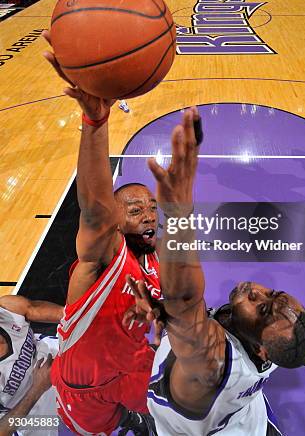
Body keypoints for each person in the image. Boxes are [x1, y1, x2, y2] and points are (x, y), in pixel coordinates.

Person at [126, 107, 305, 436]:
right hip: (245, 420)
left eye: (262, 308)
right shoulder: (268, 344)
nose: (257, 292)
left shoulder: (210, 361)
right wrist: (164, 313)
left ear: (260, 350)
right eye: (272, 294)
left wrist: (178, 212)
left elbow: (185, 300)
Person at [42, 31, 161, 435]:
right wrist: (95, 122)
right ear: (118, 222)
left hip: (131, 361)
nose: (147, 214)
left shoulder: (161, 259)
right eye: (134, 209)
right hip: (86, 384)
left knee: (194, 403)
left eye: (151, 207)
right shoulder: (100, 259)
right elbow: (94, 209)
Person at [0, 294, 62, 436]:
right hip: (32, 411)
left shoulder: (7, 309)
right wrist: (38, 388)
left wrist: (79, 319)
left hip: (54, 357)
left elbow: (65, 314)